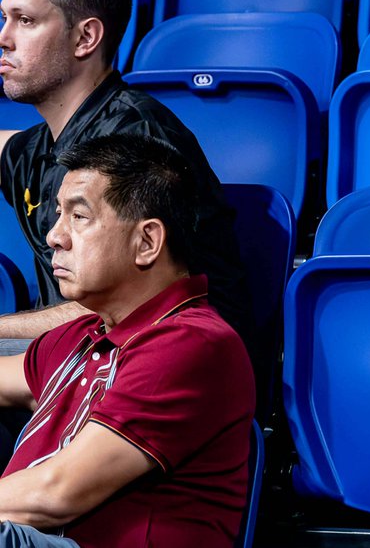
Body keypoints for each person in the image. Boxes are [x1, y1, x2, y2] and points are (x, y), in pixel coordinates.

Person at [0, 133, 255, 548]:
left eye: (79, 217)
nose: (54, 237)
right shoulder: (82, 336)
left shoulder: (192, 343)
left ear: (147, 242)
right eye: (58, 215)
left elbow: (55, 495)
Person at [0, 0, 248, 345]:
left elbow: (122, 310)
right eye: (4, 18)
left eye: (25, 20)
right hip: (71, 358)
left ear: (86, 38)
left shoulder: (138, 141)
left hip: (155, 368)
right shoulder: (33, 149)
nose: (4, 38)